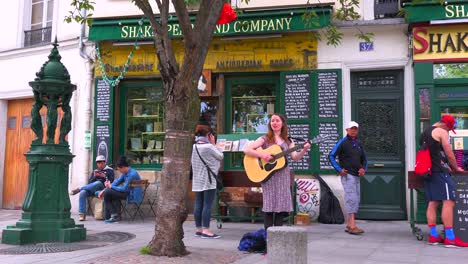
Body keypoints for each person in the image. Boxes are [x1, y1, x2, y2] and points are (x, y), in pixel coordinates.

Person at [244, 113, 311, 230]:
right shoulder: (265, 138)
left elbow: (295, 157)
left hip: (283, 176)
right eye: (272, 121)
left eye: (277, 120)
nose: (274, 123)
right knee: (269, 206)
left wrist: (304, 149)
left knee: (280, 206)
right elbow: (247, 150)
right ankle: (267, 237)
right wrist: (263, 155)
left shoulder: (288, 141)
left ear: (283, 123)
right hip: (268, 176)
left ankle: (278, 237)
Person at [420, 115, 467, 247]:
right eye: (449, 128)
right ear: (446, 125)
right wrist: (455, 167)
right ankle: (450, 238)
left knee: (433, 203)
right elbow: (449, 153)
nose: (448, 131)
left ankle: (434, 235)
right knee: (449, 202)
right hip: (439, 172)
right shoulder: (441, 132)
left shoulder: (425, 132)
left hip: (427, 172)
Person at [329, 121, 367, 235]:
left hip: (356, 175)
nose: (354, 131)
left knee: (356, 198)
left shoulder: (359, 143)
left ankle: (350, 224)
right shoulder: (342, 142)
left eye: (356, 129)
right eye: (352, 128)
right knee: (352, 198)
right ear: (347, 130)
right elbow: (331, 155)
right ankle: (352, 225)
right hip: (348, 175)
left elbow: (364, 159)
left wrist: (363, 169)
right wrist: (339, 169)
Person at [192, 127, 224, 239]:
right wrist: (214, 143)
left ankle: (199, 229)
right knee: (207, 205)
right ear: (209, 135)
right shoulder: (209, 147)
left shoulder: (194, 146)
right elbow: (220, 156)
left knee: (198, 204)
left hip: (197, 180)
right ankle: (206, 230)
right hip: (208, 180)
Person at [70, 155, 115, 221]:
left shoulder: (110, 170)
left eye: (101, 163)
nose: (99, 164)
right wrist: (95, 177)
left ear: (104, 162)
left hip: (102, 189)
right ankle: (82, 215)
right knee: (83, 192)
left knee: (98, 183)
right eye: (98, 163)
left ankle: (79, 189)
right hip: (93, 189)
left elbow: (111, 182)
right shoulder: (95, 171)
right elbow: (90, 183)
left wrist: (104, 177)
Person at [99, 156, 142, 223]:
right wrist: (104, 189)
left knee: (108, 192)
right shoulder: (125, 172)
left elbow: (125, 189)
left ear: (123, 167)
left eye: (119, 169)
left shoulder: (132, 174)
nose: (119, 171)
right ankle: (113, 215)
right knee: (107, 192)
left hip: (132, 195)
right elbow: (117, 182)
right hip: (128, 192)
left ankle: (113, 215)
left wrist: (110, 187)